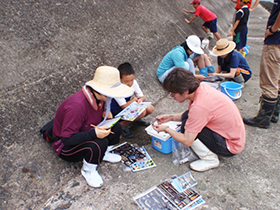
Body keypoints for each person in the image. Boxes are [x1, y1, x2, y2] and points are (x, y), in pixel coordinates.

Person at [51, 66, 133, 188]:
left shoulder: (100, 98)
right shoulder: (77, 106)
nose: (112, 96)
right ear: (99, 90)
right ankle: (88, 170)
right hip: (65, 146)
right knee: (100, 142)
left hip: (85, 130)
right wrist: (94, 134)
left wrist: (106, 114)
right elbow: (66, 139)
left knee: (115, 127)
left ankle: (104, 153)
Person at [152, 68, 246, 172]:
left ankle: (210, 160)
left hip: (230, 145)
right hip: (234, 136)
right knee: (187, 117)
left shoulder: (200, 107)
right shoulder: (201, 88)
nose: (172, 96)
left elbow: (187, 140)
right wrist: (171, 117)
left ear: (185, 91)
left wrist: (166, 129)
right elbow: (191, 114)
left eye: (173, 93)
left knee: (185, 127)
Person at [243, 0, 280, 128]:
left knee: (269, 80)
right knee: (278, 79)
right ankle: (274, 113)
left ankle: (263, 119)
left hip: (276, 41)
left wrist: (273, 29)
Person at [111, 62, 154, 138]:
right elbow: (124, 106)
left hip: (129, 106)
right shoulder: (116, 88)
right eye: (126, 82)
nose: (130, 83)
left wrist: (139, 100)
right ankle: (122, 126)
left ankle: (135, 121)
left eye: (132, 80)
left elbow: (141, 96)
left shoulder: (134, 83)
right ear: (119, 79)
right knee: (142, 112)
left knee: (150, 108)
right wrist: (134, 100)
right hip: (118, 112)